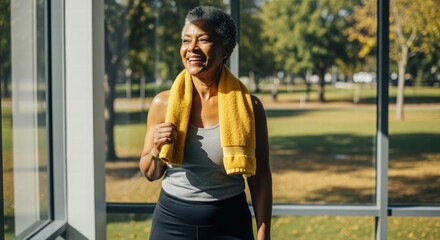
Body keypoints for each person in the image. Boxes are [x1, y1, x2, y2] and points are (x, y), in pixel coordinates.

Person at [139, 5, 272, 240]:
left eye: (203, 40)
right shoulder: (163, 103)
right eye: (186, 40)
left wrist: (263, 235)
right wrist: (157, 148)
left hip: (230, 224)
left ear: (226, 49)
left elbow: (260, 178)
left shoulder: (250, 107)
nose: (192, 48)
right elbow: (150, 172)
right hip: (171, 224)